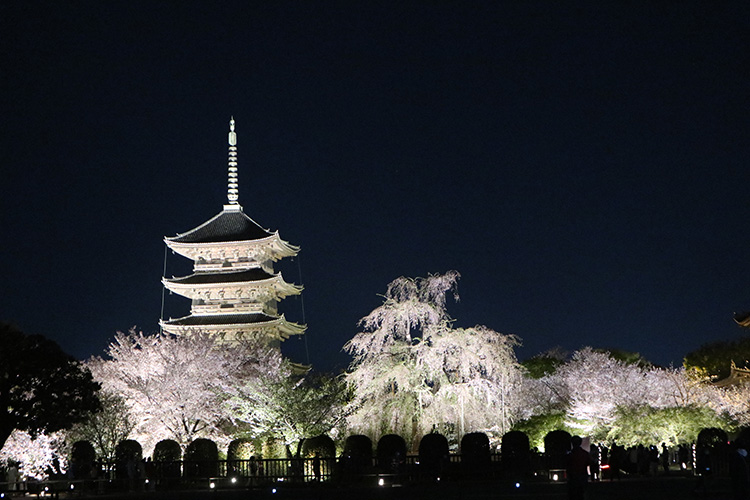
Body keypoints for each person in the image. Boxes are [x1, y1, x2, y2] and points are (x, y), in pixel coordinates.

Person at [566, 436, 592, 500]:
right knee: (582, 493)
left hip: (573, 476)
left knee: (573, 494)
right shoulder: (585, 453)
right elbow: (588, 462)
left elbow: (567, 464)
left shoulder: (570, 454)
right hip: (582, 475)